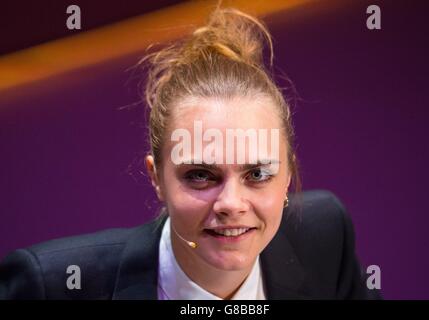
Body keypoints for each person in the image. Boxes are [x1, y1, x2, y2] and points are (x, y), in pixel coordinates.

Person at [0, 5, 380, 300]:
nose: (231, 203)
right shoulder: (50, 284)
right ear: (157, 178)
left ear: (287, 177)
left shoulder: (325, 237)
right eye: (201, 175)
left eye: (258, 174)